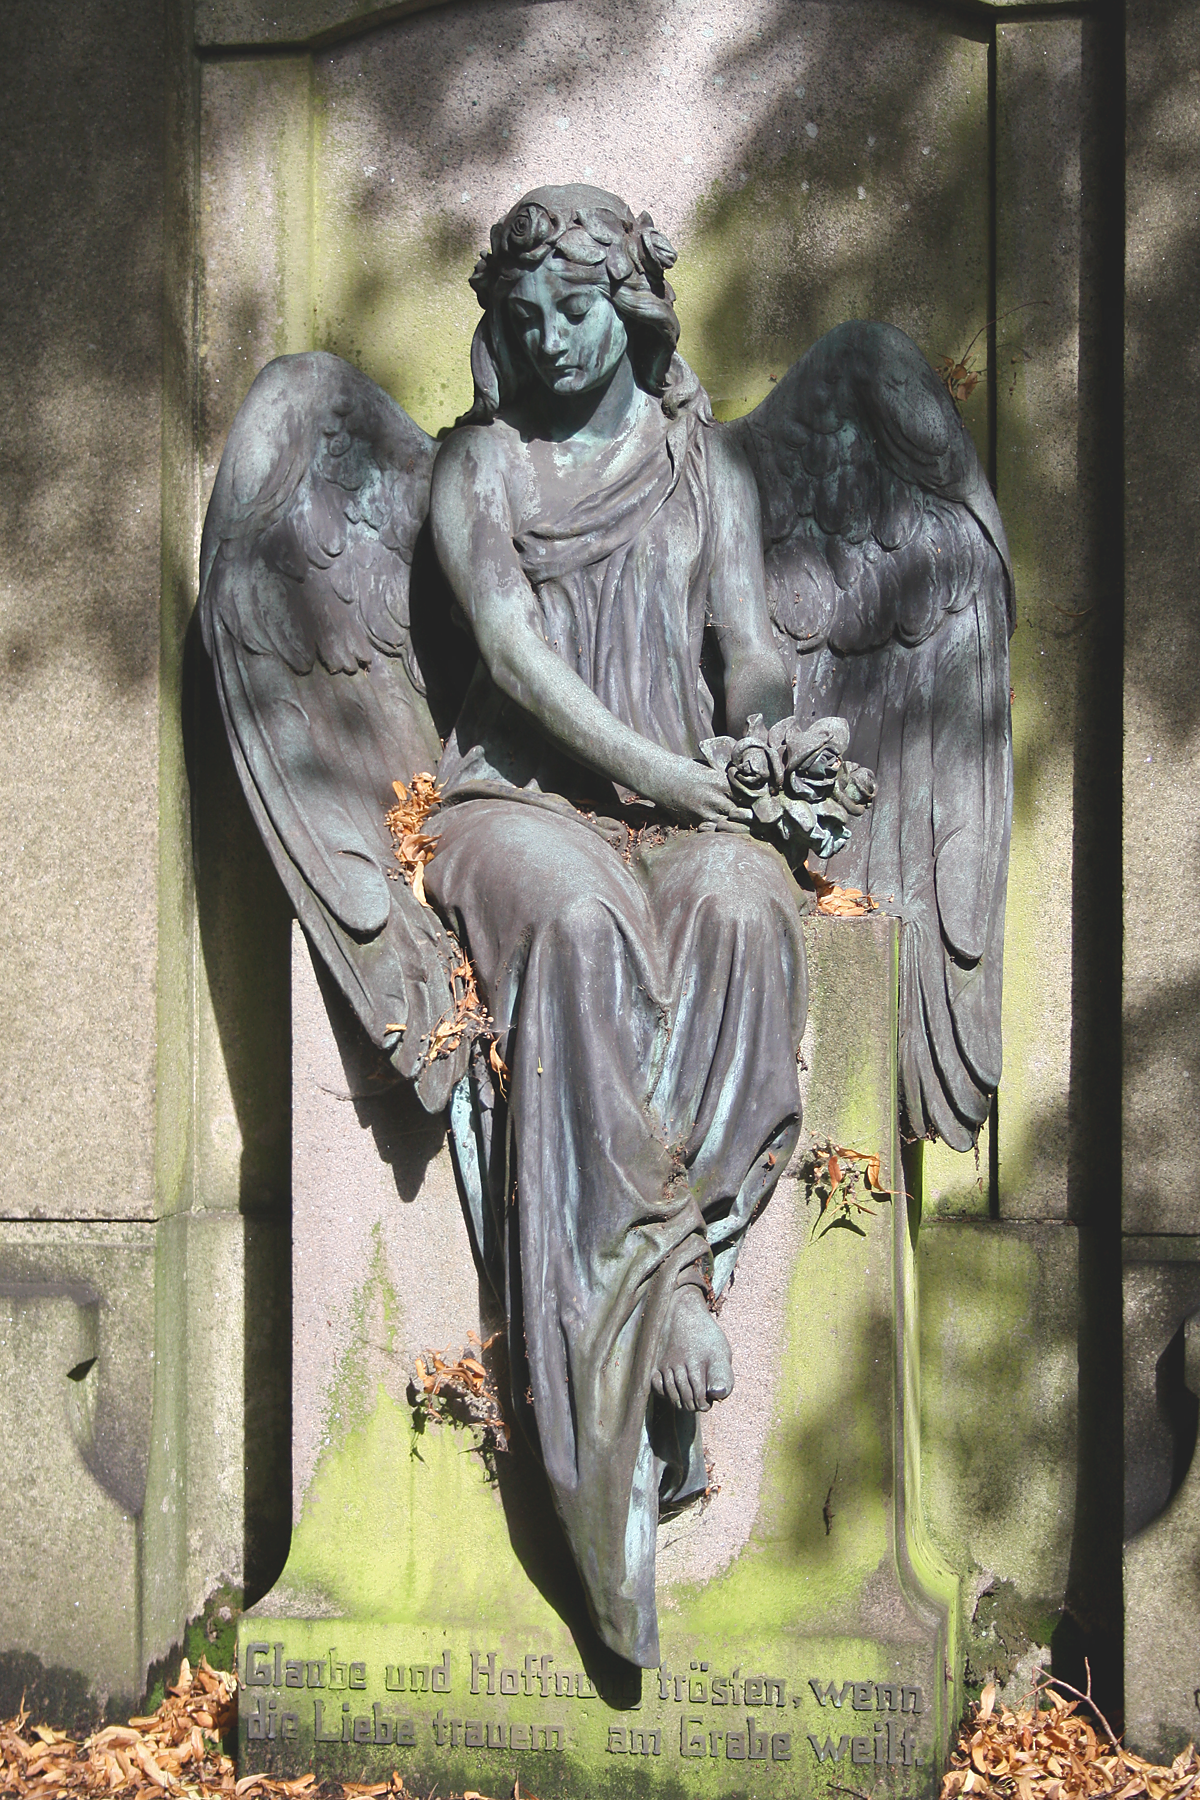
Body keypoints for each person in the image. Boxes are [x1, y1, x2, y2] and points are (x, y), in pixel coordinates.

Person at [424, 185, 808, 1670]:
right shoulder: (480, 472)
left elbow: (752, 657)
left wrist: (779, 758)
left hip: (689, 802)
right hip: (515, 806)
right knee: (580, 931)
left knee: (743, 908)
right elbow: (517, 670)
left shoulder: (703, 470)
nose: (549, 337)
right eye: (521, 318)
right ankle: (646, 1309)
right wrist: (684, 776)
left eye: (576, 309)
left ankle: (675, 1270)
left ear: (632, 306)